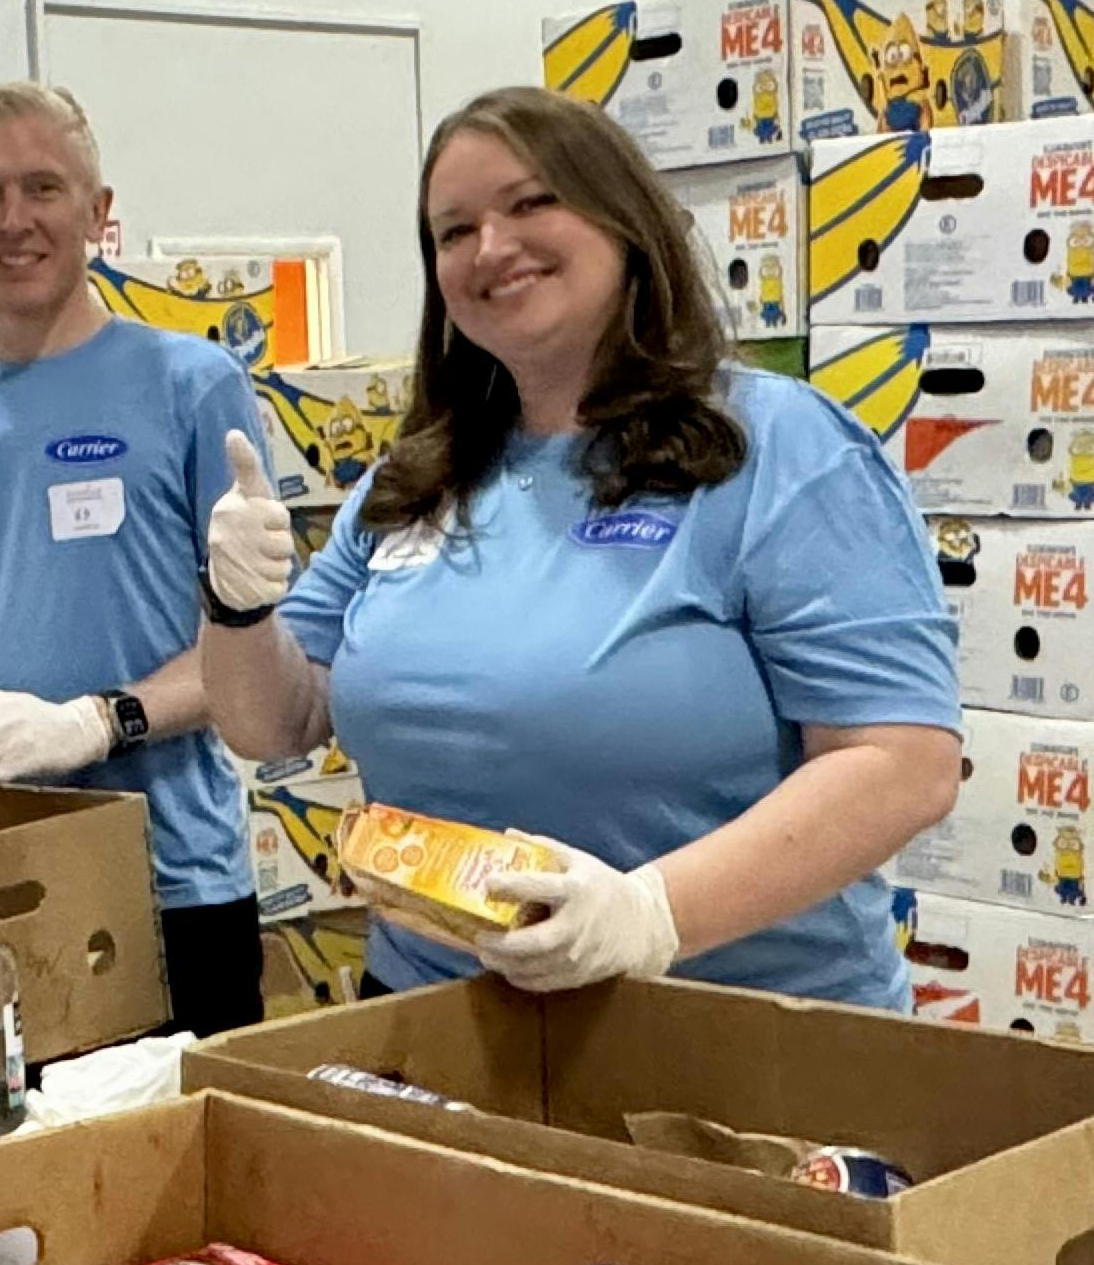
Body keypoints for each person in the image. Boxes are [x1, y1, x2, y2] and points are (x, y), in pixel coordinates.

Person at [199, 85, 962, 1007]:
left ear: (625, 220)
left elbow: (901, 765)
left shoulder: (779, 451)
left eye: (530, 203)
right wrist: (236, 607)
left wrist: (651, 915)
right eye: (452, 231)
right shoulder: (417, 480)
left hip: (737, 1046)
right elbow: (272, 722)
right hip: (439, 1028)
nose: (492, 247)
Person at [0, 81, 269, 1034]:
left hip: (174, 885)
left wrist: (101, 720)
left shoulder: (192, 386)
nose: (16, 220)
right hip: (0, 884)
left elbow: (254, 654)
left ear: (99, 212)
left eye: (44, 188)